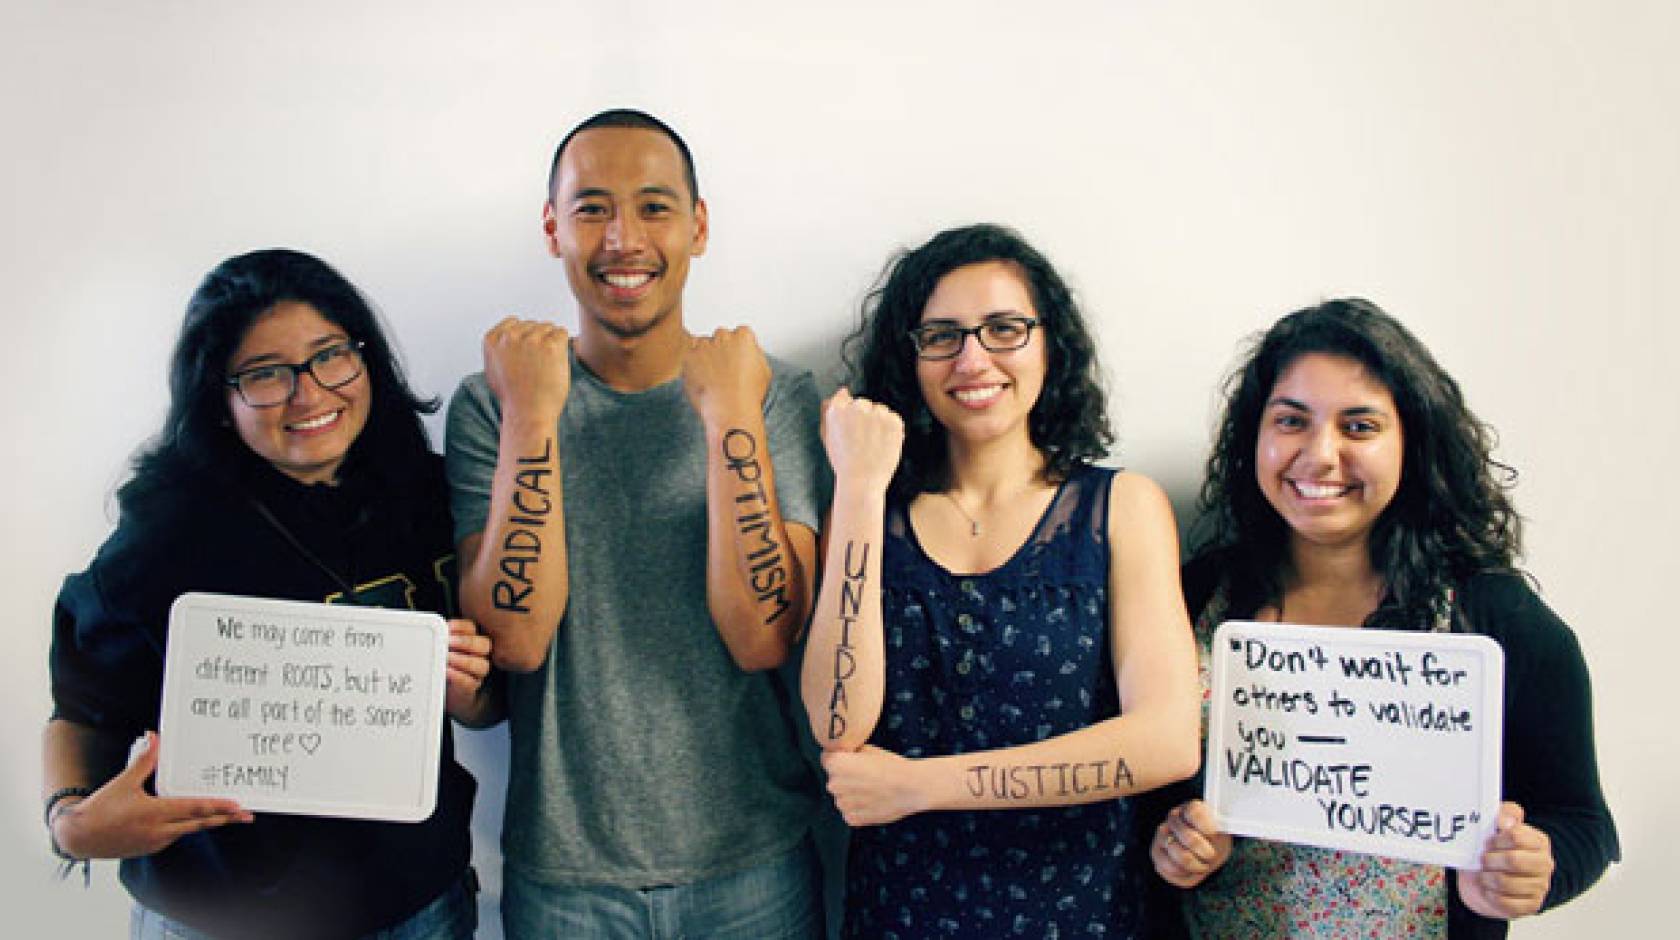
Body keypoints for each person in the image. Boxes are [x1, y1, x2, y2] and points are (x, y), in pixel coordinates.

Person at [445, 108, 828, 938]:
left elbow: (764, 636)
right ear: (553, 229)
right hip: (566, 877)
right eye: (591, 208)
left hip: (753, 860)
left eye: (654, 207)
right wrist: (535, 418)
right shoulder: (495, 404)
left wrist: (729, 413)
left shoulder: (772, 395)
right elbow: (514, 641)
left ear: (698, 226)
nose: (623, 238)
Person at [44, 248, 497, 939]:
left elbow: (489, 701)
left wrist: (470, 691)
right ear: (220, 400)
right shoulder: (163, 538)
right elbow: (82, 711)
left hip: (416, 907)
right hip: (218, 917)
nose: (309, 394)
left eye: (330, 356)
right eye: (266, 375)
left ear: (364, 357)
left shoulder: (434, 498)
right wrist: (74, 825)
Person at [1148, 298, 1620, 938]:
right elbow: (1145, 796)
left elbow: (1584, 823)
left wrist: (1534, 867)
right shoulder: (1195, 596)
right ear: (1254, 436)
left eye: (1360, 426)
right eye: (1291, 420)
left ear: (1411, 443)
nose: (1320, 455)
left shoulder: (1494, 617)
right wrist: (1176, 844)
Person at [800, 223, 1201, 938]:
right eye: (942, 336)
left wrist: (921, 786)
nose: (973, 358)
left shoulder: (1121, 509)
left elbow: (1168, 740)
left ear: (1049, 344)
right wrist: (860, 487)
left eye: (1004, 328)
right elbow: (838, 723)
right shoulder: (869, 514)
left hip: (1084, 913)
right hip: (905, 913)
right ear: (911, 357)